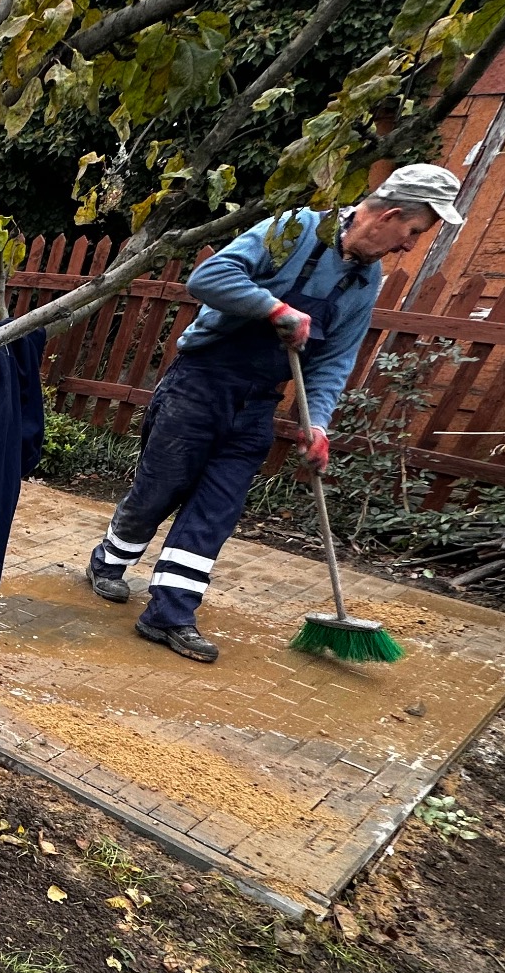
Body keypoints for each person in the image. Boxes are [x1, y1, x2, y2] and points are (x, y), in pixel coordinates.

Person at [86, 164, 462, 662]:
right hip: (200, 383)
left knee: (217, 507)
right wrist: (274, 309)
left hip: (257, 402)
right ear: (391, 215)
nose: (408, 247)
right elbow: (208, 277)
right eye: (412, 233)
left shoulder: (363, 281)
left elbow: (334, 360)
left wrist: (319, 424)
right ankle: (108, 563)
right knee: (161, 489)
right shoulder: (294, 229)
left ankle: (170, 614)